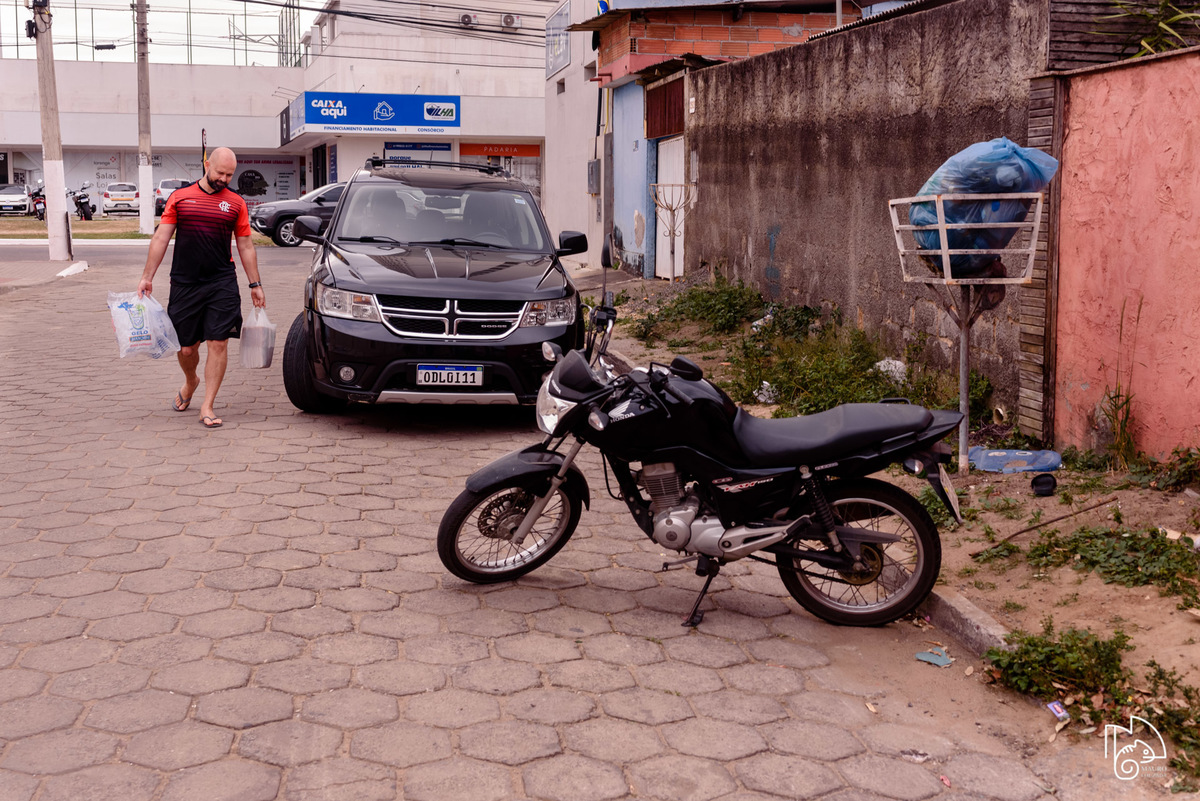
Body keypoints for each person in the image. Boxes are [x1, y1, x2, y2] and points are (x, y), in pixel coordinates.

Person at [137, 147, 265, 428]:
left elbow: (245, 244)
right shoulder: (180, 198)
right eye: (220, 172)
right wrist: (148, 276)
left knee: (218, 343)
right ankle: (191, 380)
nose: (224, 179)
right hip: (185, 283)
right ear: (207, 164)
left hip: (222, 282)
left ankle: (207, 405)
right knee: (186, 349)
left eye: (230, 175)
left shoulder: (235, 203)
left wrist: (255, 284)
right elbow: (161, 239)